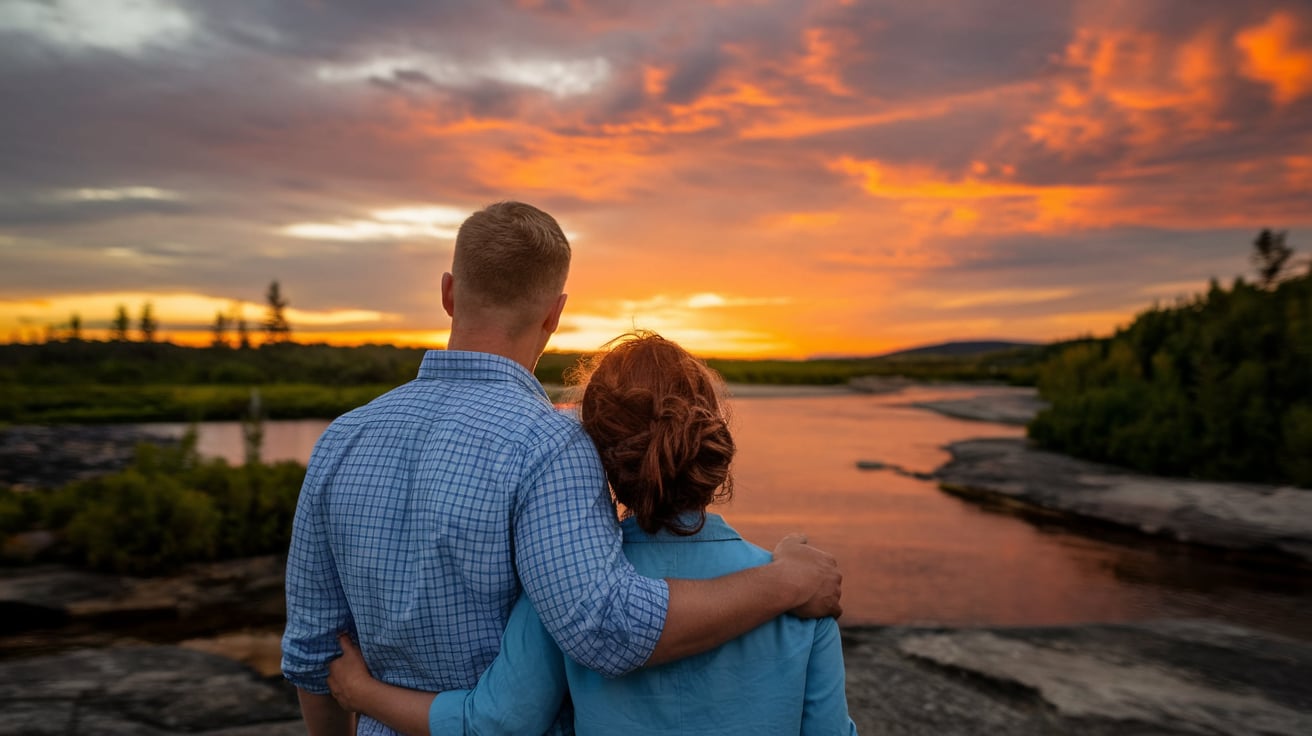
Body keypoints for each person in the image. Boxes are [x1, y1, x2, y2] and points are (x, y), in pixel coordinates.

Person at [281, 202, 843, 736]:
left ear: (449, 293)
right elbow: (604, 627)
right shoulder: (549, 443)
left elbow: (313, 653)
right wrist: (786, 581)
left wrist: (360, 702)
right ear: (555, 312)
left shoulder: (341, 439)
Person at [326, 332, 859, 735]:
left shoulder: (558, 589)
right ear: (711, 437)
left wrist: (361, 692)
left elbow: (494, 723)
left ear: (598, 452)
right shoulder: (803, 594)